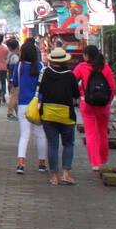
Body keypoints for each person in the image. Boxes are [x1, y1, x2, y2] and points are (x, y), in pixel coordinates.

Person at [38, 47, 81, 185]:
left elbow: (41, 91)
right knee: (68, 144)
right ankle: (66, 174)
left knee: (52, 145)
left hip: (48, 114)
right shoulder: (70, 75)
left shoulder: (46, 73)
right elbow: (76, 94)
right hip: (66, 115)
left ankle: (55, 177)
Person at [74, 45, 116, 172]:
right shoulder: (106, 68)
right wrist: (107, 101)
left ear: (87, 56)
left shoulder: (82, 67)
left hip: (87, 105)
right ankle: (103, 158)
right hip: (103, 106)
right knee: (102, 132)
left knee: (91, 134)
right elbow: (113, 89)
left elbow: (72, 80)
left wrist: (80, 92)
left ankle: (95, 163)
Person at [14, 38, 48, 174]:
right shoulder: (41, 67)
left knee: (24, 135)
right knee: (40, 134)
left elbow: (15, 83)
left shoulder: (19, 66)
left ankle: (21, 163)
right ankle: (42, 163)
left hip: (22, 104)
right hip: (37, 104)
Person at [4, 37, 21, 119]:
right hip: (14, 78)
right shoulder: (15, 57)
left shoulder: (9, 55)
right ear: (17, 47)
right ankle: (9, 112)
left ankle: (18, 113)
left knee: (14, 96)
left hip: (9, 77)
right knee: (14, 96)